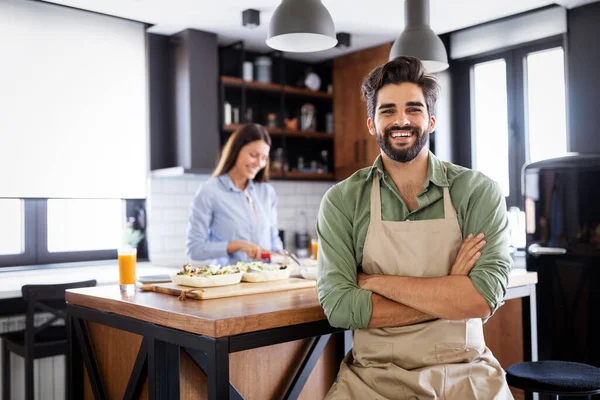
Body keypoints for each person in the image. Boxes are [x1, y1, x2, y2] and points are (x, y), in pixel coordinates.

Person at [317, 56, 514, 399]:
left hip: (464, 371)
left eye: (414, 109)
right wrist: (450, 292)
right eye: (388, 110)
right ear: (371, 123)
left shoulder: (478, 191)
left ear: (432, 120)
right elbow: (340, 307)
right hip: (372, 378)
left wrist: (375, 283)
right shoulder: (342, 201)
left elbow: (482, 298)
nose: (401, 120)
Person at [186, 123, 284, 266]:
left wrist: (281, 256)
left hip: (265, 282)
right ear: (236, 150)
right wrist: (237, 245)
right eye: (253, 155)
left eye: (264, 158)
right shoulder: (210, 192)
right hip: (228, 283)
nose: (259, 163)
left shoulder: (266, 192)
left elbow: (274, 243)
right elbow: (194, 249)